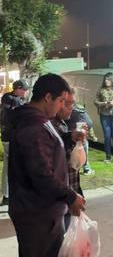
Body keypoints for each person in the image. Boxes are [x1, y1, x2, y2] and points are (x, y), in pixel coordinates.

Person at [8, 73, 85, 257]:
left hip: (41, 211)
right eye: (60, 101)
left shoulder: (39, 121)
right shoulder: (34, 126)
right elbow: (41, 174)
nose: (61, 107)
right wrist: (70, 196)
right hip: (37, 214)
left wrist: (67, 138)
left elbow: (45, 150)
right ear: (48, 97)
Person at [52, 89, 87, 230]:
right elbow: (47, 171)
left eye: (73, 104)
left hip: (67, 194)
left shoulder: (61, 123)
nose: (71, 108)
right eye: (66, 103)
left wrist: (75, 139)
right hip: (58, 200)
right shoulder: (47, 126)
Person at [0, 79, 29, 206]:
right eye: (24, 89)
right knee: (12, 166)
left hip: (8, 136)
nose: (25, 92)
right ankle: (9, 195)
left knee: (9, 166)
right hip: (12, 137)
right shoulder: (14, 100)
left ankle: (7, 194)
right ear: (18, 88)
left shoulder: (7, 98)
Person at [65, 98, 96, 175]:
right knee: (82, 146)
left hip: (79, 128)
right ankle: (86, 168)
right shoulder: (78, 107)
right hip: (81, 127)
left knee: (82, 146)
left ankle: (86, 168)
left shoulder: (72, 110)